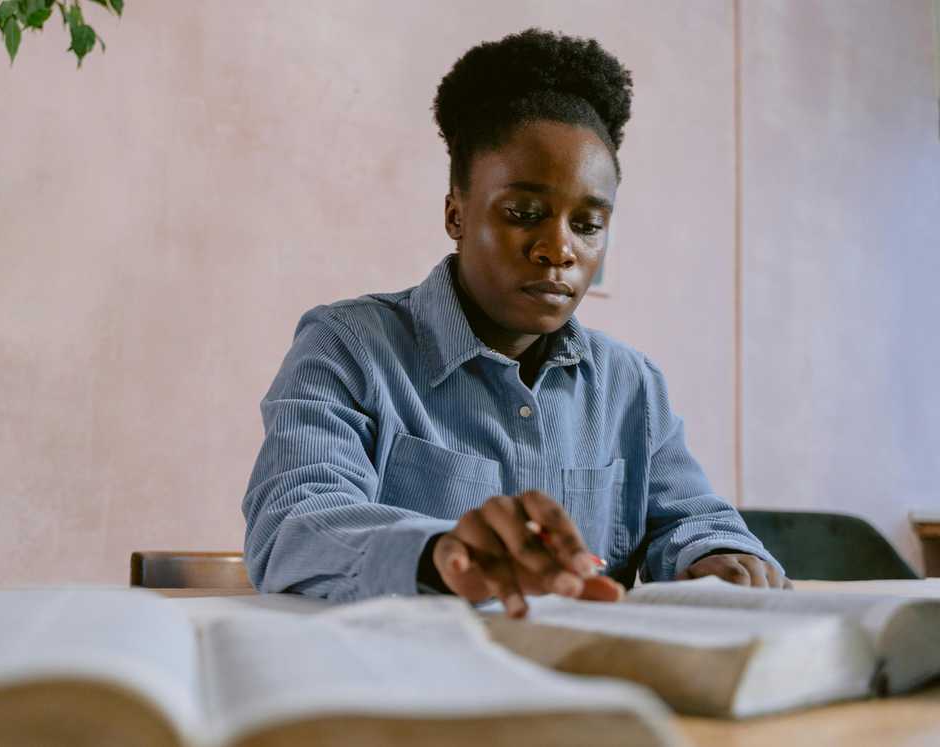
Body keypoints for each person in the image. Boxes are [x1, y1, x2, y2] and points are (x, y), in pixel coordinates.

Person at [242, 28, 787, 617]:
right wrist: (439, 552)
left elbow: (691, 520)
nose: (559, 249)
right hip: (404, 686)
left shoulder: (631, 385)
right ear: (456, 212)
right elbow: (294, 526)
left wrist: (716, 555)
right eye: (524, 213)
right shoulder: (348, 348)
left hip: (584, 687)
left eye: (588, 224)